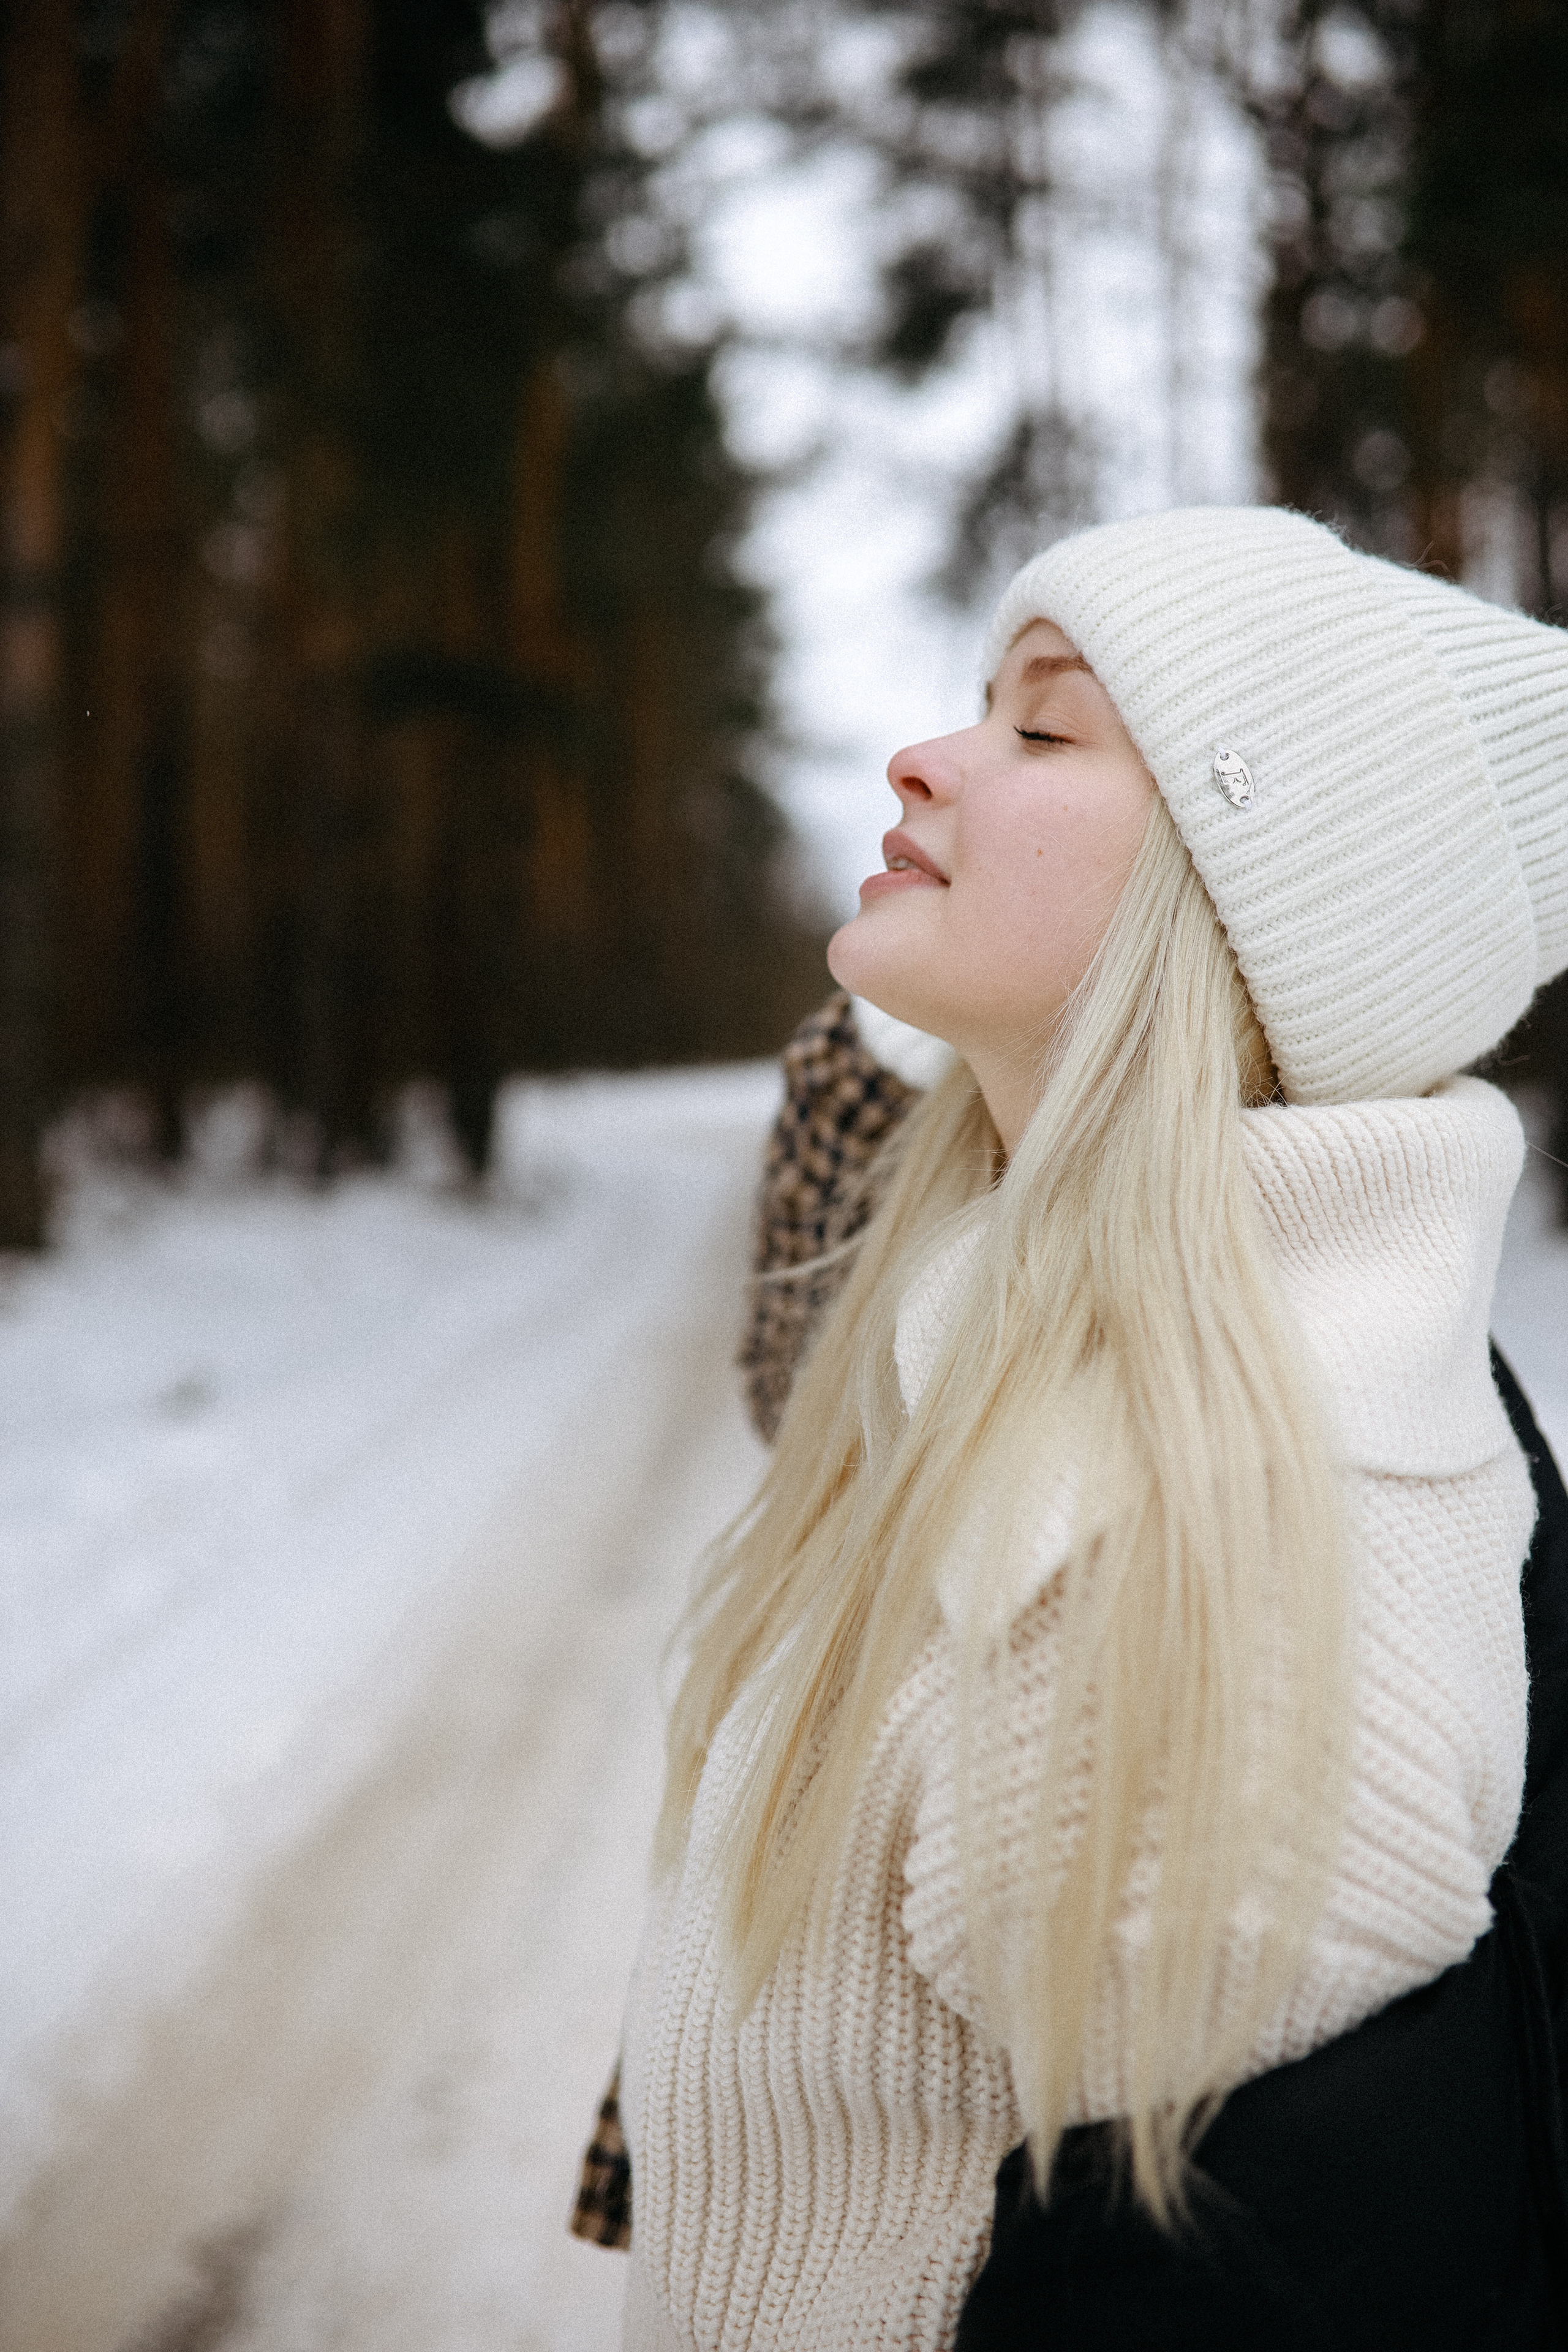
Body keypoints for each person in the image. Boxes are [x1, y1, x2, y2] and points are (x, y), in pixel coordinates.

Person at [597, 506, 1568, 2347]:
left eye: (1042, 731)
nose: (927, 754)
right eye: (981, 703)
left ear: (1247, 904)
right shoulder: (1037, 1353)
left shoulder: (1206, 1537)